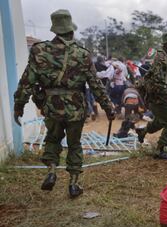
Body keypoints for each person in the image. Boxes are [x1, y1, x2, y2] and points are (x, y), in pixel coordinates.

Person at [13, 9, 115, 198]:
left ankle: (51, 172)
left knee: (52, 139)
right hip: (76, 108)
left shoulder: (39, 50)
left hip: (51, 106)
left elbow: (27, 82)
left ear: (54, 29)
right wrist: (108, 107)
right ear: (71, 30)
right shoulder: (82, 54)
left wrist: (19, 105)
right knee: (74, 144)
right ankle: (74, 185)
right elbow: (96, 85)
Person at [135, 30, 167, 159]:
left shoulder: (166, 55)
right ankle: (159, 149)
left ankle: (143, 131)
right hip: (157, 96)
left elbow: (161, 71)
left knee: (161, 121)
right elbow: (159, 83)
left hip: (157, 95)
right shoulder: (162, 58)